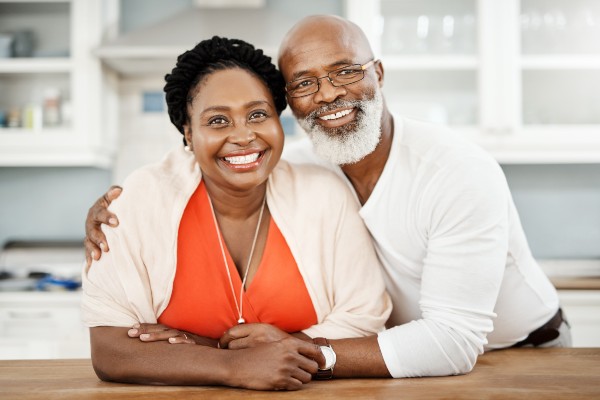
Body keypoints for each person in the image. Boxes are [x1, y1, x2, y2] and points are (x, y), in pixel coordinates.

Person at [85, 15, 570, 379]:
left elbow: (453, 341)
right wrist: (117, 206)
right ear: (292, 103)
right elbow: (209, 159)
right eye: (305, 82)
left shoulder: (456, 172)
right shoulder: (301, 161)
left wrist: (299, 350)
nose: (328, 94)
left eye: (345, 71)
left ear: (378, 72)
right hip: (394, 356)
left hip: (513, 353)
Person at [81, 35, 391, 391]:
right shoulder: (139, 201)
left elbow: (365, 319)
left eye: (258, 114)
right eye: (217, 121)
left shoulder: (323, 195)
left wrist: (206, 348)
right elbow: (110, 350)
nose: (243, 136)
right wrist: (234, 365)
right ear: (188, 133)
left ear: (278, 121)